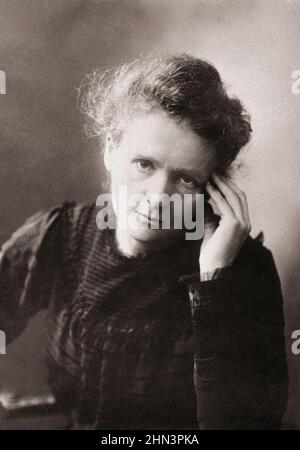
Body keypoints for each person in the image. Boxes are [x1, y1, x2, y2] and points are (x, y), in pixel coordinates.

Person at [0, 54, 288, 430]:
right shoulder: (61, 236)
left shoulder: (244, 272)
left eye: (185, 179)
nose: (157, 198)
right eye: (144, 165)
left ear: (214, 189)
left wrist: (214, 280)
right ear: (109, 150)